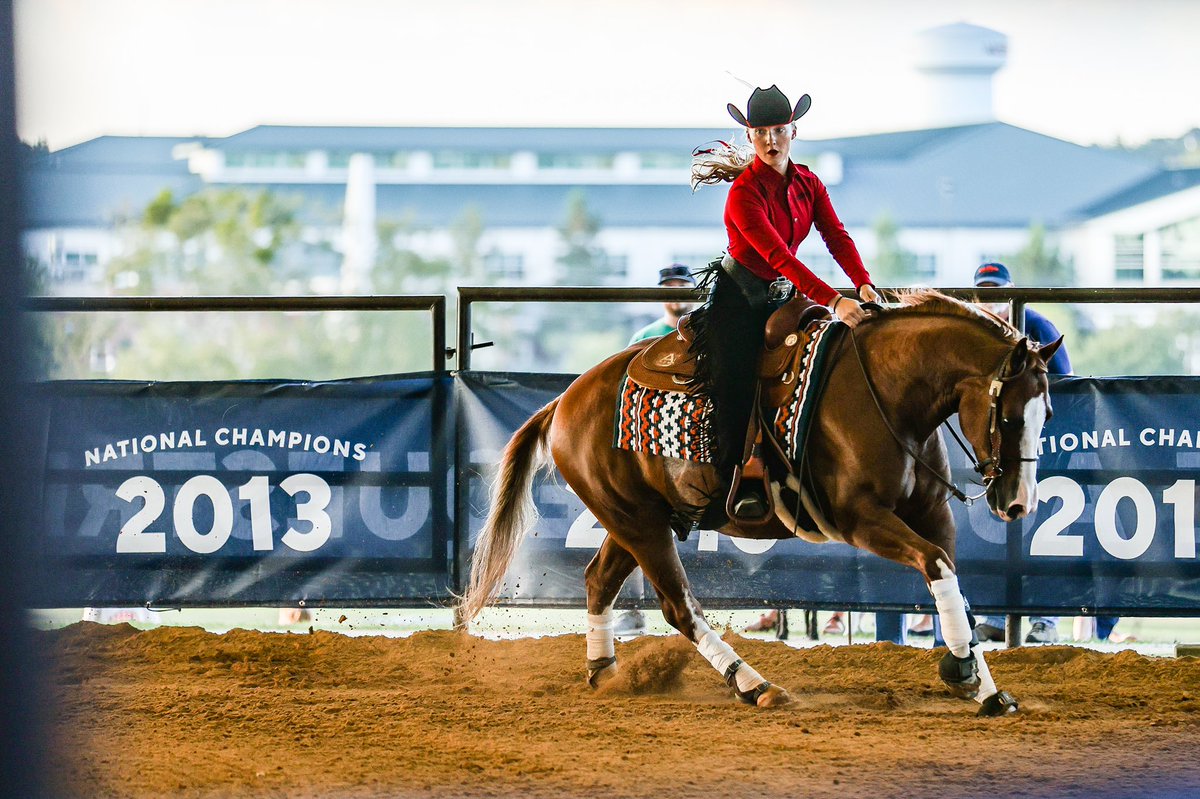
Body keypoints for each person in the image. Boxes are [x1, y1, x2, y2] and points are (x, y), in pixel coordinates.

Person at [690, 84, 879, 522]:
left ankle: (808, 467)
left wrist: (864, 284)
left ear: (793, 130)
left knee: (822, 365)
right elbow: (779, 256)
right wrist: (835, 300)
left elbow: (836, 235)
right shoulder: (743, 193)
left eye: (778, 130)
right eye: (761, 133)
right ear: (750, 137)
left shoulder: (809, 183)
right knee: (734, 383)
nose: (771, 141)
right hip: (738, 300)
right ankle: (726, 487)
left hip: (783, 297)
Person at [971, 261, 1074, 644]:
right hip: (1001, 448)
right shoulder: (976, 332)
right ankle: (998, 614)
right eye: (985, 294)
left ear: (1011, 292)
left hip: (1041, 443)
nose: (992, 301)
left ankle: (1046, 617)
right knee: (995, 532)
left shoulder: (1039, 328)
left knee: (1048, 530)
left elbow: (1065, 386)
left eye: (998, 293)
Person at [614, 264, 700, 636]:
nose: (676, 292)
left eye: (683, 286)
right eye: (670, 286)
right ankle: (633, 607)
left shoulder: (701, 331)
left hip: (689, 433)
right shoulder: (645, 336)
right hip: (654, 434)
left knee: (634, 522)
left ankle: (669, 605)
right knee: (631, 521)